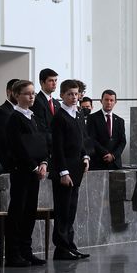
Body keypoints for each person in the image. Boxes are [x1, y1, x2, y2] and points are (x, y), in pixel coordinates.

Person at [4, 80, 48, 267]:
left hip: (35, 171)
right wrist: (33, 166)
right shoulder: (14, 118)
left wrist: (44, 162)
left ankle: (26, 250)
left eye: (33, 93)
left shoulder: (34, 117)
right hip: (22, 171)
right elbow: (17, 146)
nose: (31, 96)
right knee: (18, 211)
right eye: (27, 93)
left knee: (30, 211)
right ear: (16, 95)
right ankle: (13, 253)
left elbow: (41, 142)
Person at [50, 79, 90, 260]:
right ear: (62, 96)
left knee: (71, 209)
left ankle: (70, 244)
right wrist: (62, 172)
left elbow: (82, 139)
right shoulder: (59, 117)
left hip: (77, 168)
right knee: (62, 210)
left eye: (76, 94)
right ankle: (61, 247)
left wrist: (85, 156)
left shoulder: (78, 114)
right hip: (64, 171)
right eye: (70, 94)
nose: (74, 97)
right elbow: (57, 148)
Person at [85, 89, 127, 169]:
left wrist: (113, 156)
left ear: (115, 102)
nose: (109, 102)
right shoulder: (92, 118)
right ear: (101, 101)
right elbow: (91, 139)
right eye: (106, 100)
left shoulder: (120, 121)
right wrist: (105, 153)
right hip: (98, 162)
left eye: (111, 100)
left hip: (115, 163)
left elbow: (122, 141)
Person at [32, 67, 59, 153]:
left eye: (55, 80)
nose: (54, 84)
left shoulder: (56, 103)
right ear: (42, 82)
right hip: (45, 146)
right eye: (51, 80)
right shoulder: (37, 101)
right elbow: (41, 128)